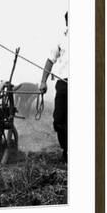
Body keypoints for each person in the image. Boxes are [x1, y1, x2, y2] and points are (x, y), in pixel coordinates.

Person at [39, 12, 68, 162]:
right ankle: (67, 151)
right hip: (63, 84)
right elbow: (50, 60)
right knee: (59, 120)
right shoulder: (61, 40)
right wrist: (43, 81)